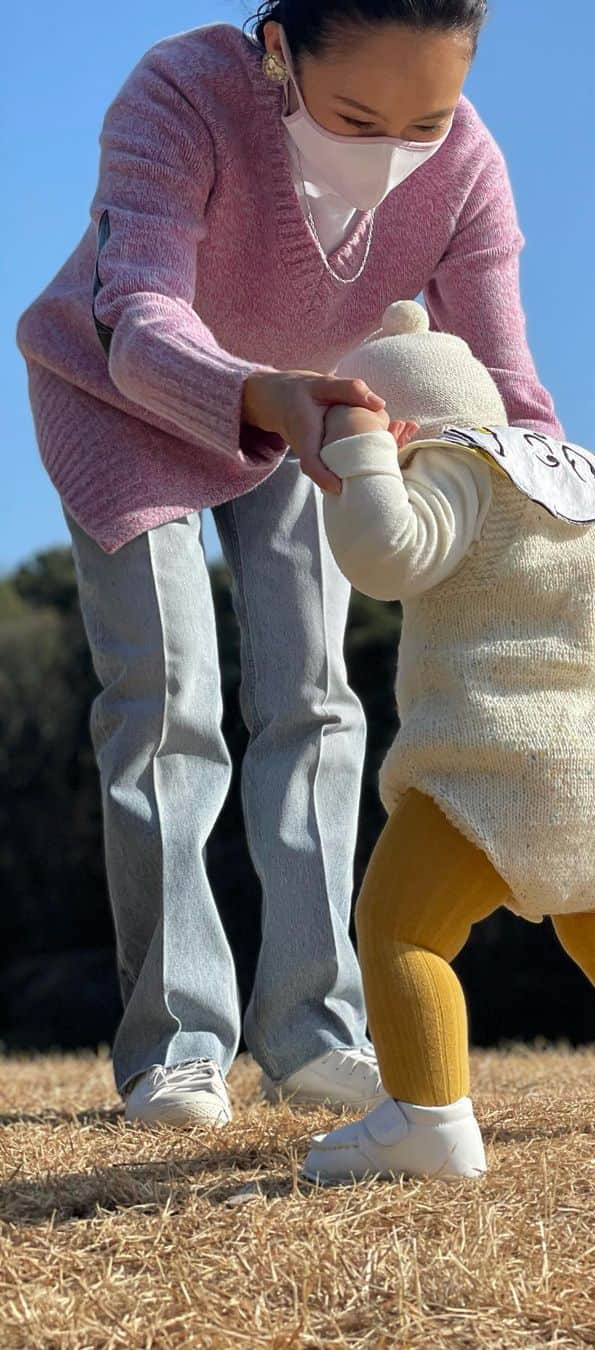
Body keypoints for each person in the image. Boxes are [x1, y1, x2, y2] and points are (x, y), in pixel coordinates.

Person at [15, 0, 559, 1127]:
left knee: (316, 700)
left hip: (313, 414)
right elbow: (139, 311)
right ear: (278, 48)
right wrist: (259, 394)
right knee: (166, 703)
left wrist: (566, 501)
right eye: (357, 115)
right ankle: (176, 1046)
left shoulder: (466, 169)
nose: (391, 155)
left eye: (427, 118)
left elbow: (507, 381)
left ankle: (315, 1032)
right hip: (129, 400)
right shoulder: (180, 94)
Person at [297, 301, 595, 1184]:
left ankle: (427, 1123)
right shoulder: (585, 481)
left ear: (403, 421)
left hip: (490, 762)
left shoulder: (451, 468)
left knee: (399, 932)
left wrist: (358, 451)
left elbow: (387, 554)